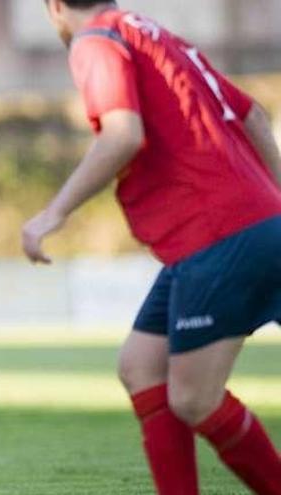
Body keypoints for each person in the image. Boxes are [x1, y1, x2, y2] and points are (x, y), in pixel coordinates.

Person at [25, 1, 281, 494]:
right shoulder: (155, 35)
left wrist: (52, 213)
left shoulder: (96, 39)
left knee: (193, 398)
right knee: (141, 365)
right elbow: (254, 114)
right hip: (246, 227)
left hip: (217, 234)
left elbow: (122, 135)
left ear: (54, 7)